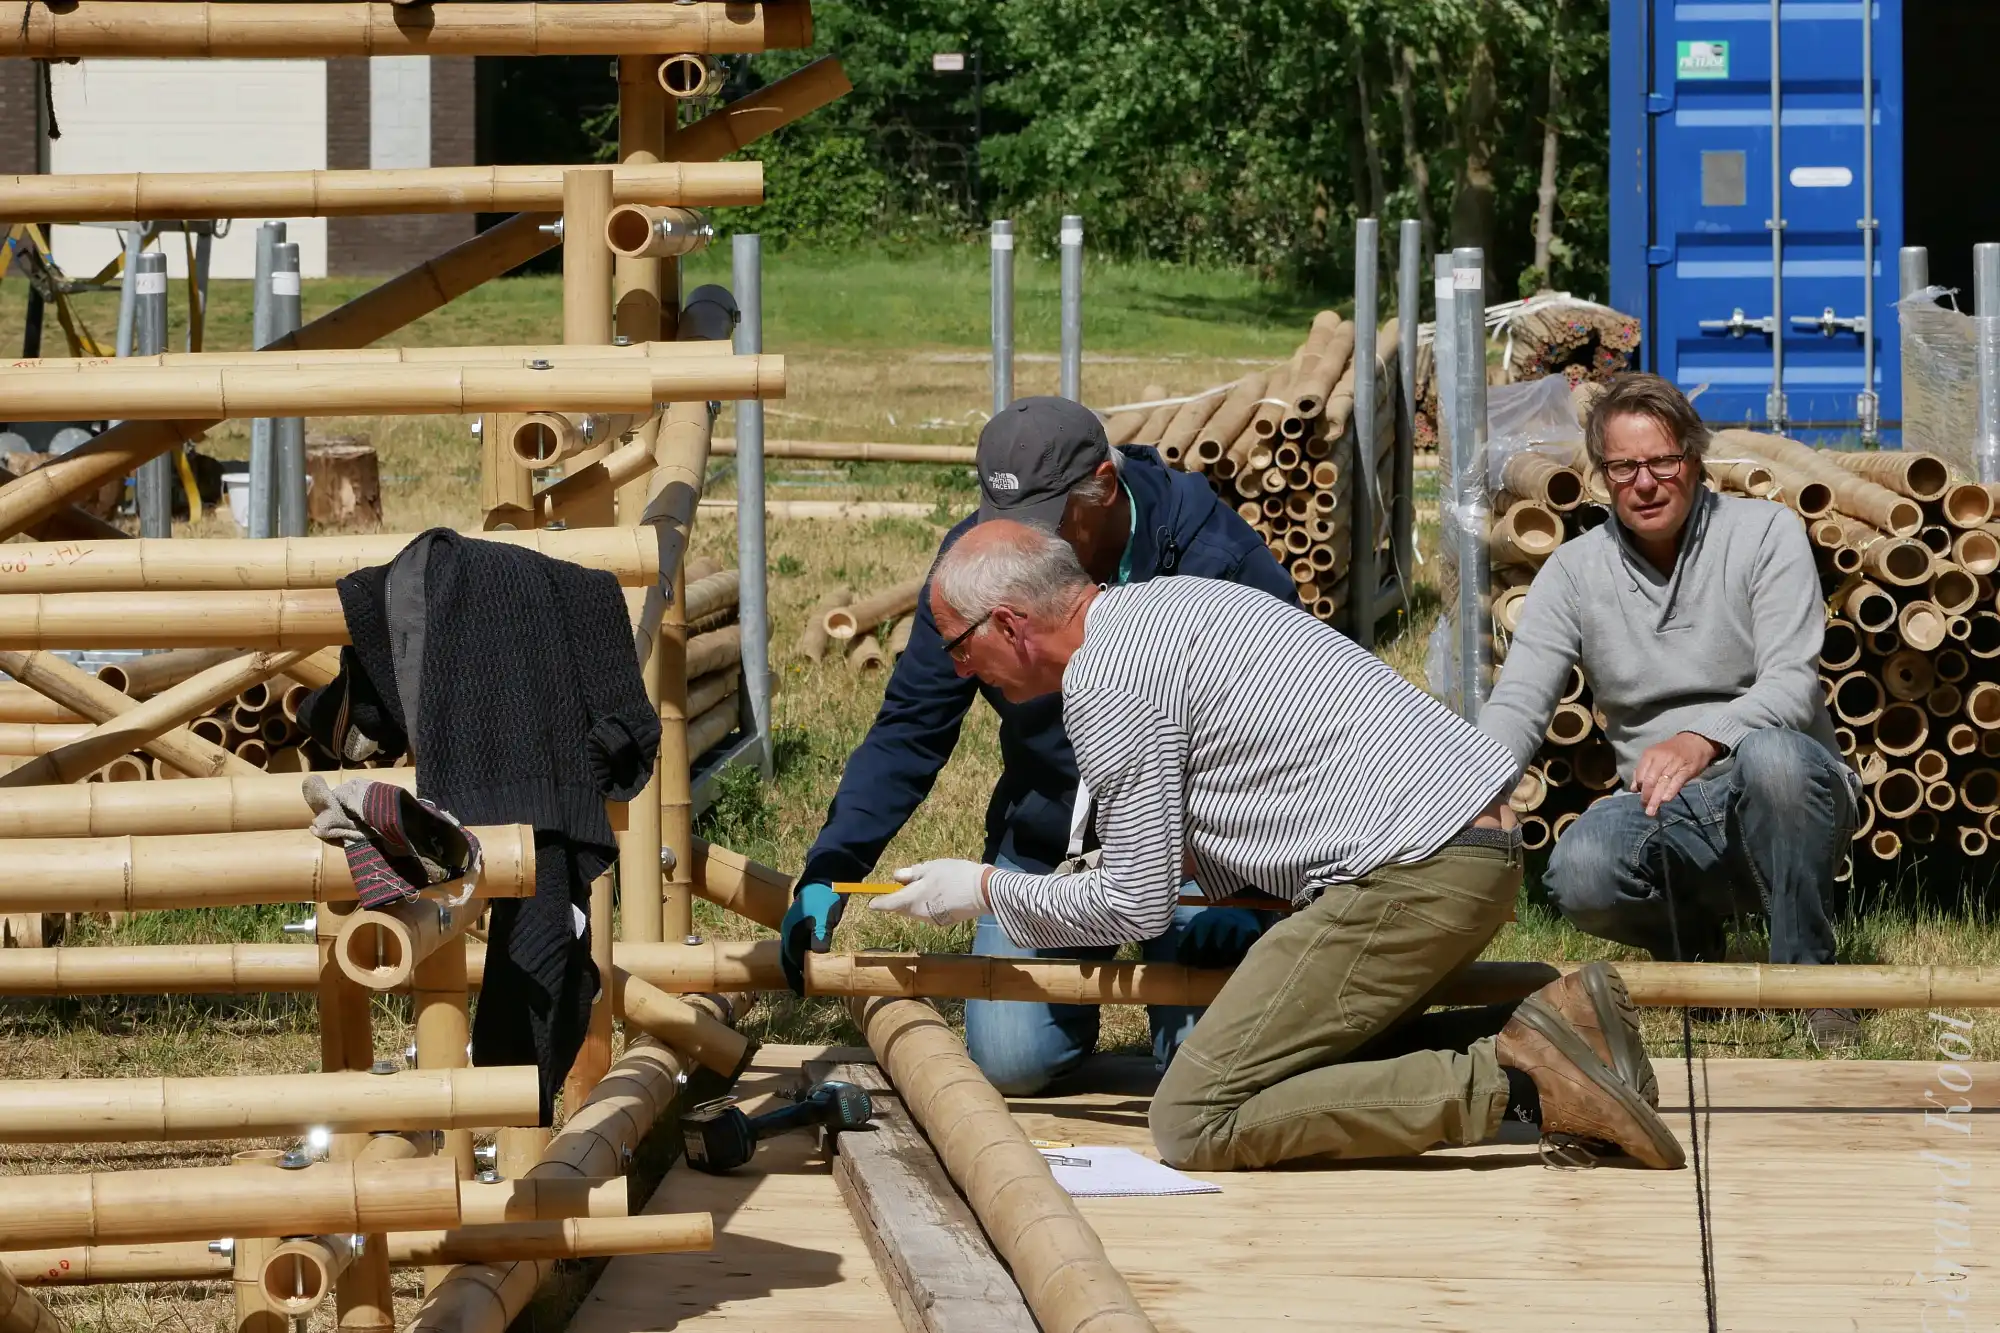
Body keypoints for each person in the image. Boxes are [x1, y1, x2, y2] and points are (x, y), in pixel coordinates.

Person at [869, 520, 1683, 1173]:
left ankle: (1522, 1085)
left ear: (1009, 625)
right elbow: (1216, 818)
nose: (962, 670)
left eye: (956, 646)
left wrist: (981, 890)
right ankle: (1546, 1024)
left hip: (1415, 870)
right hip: (1458, 847)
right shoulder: (1171, 605)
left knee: (1193, 1117)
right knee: (1279, 1060)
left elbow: (1135, 902)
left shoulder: (1103, 680)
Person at [779, 395, 1298, 1093]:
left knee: (1207, 1068)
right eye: (1006, 526)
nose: (1022, 548)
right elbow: (910, 725)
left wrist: (1249, 892)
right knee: (1010, 1061)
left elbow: (1287, 734)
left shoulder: (1215, 554)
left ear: (1104, 488)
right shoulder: (985, 561)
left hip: (1197, 852)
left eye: (1042, 525)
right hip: (1054, 841)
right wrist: (831, 864)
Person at [1479, 373, 1861, 1047]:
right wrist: (1476, 788)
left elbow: (1792, 685)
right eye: (1624, 467)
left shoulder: (1767, 533)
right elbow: (1518, 698)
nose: (1645, 482)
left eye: (1663, 461)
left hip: (1787, 785)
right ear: (1602, 476)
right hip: (1665, 806)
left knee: (1772, 757)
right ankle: (1696, 952)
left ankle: (1813, 985)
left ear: (1694, 457)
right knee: (1579, 870)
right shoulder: (1572, 572)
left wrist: (1702, 738)